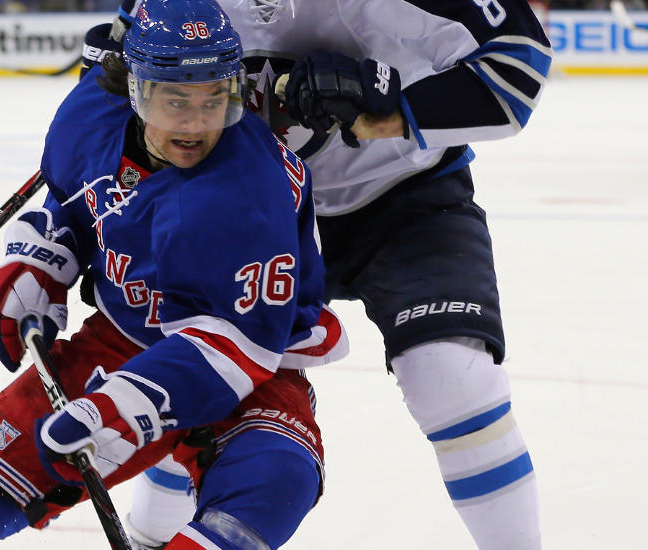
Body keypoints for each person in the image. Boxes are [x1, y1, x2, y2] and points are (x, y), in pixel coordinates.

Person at [0, 0, 349, 548]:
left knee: (273, 481)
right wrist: (46, 255)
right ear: (135, 89)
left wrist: (125, 406)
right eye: (175, 100)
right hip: (122, 339)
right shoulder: (88, 119)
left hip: (245, 363)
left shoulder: (248, 192)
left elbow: (240, 345)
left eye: (215, 100)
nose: (196, 124)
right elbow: (79, 206)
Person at [112, 0, 553, 549]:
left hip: (402, 200)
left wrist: (389, 109)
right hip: (241, 206)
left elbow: (518, 67)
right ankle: (147, 539)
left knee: (453, 378)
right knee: (201, 388)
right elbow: (118, 87)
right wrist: (54, 233)